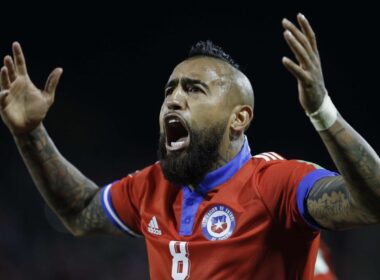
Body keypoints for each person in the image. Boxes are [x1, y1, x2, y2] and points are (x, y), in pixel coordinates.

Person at [0, 13, 378, 279]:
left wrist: (321, 112)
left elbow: (372, 202)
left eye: (194, 89)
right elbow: (79, 212)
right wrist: (30, 133)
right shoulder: (151, 188)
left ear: (239, 118)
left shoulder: (277, 185)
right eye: (170, 90)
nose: (174, 100)